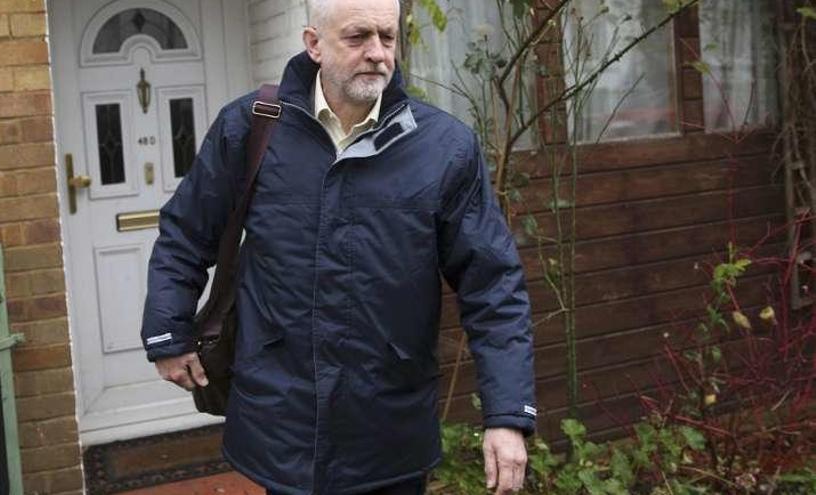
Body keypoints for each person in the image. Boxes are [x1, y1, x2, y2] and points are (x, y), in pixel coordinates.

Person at [140, 0, 536, 493]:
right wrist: (168, 331)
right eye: (358, 37)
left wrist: (507, 414)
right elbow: (187, 230)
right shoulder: (252, 126)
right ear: (314, 45)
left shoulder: (444, 147)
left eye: (387, 38)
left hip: (388, 424)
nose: (376, 53)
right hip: (281, 414)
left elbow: (492, 283)